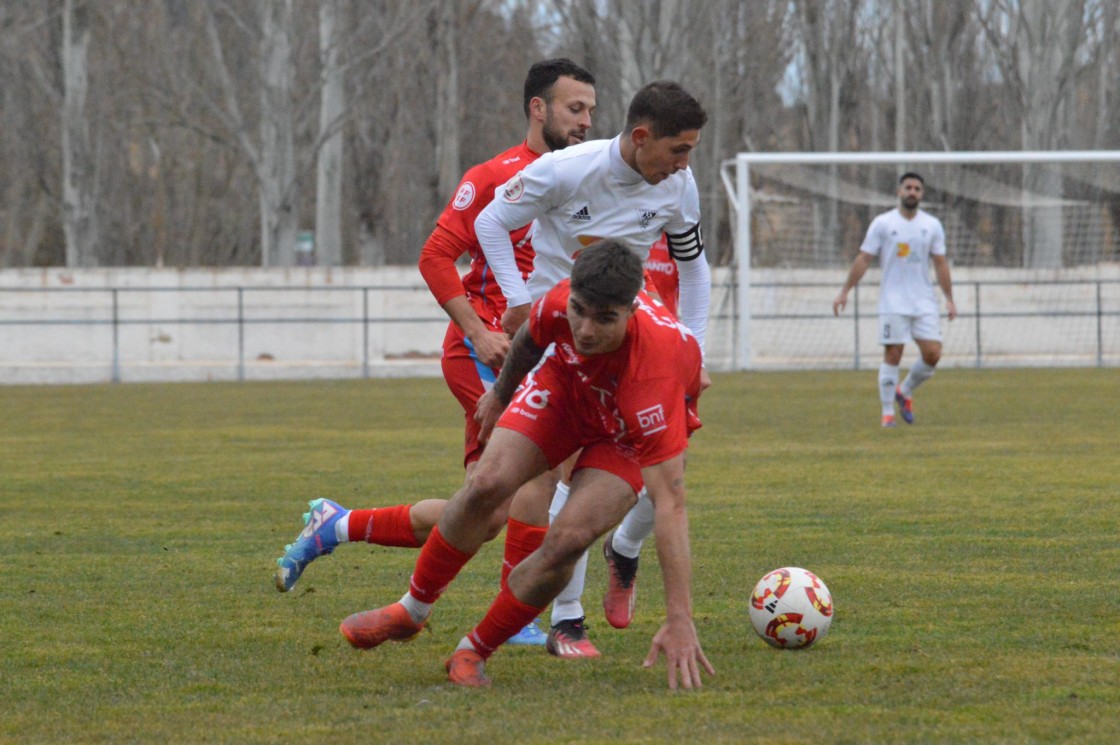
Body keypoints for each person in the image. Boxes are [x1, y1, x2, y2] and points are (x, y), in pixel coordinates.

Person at [273, 59, 597, 647]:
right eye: (575, 109)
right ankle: (518, 616)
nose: (586, 122)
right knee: (540, 469)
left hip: (542, 353)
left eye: (592, 111)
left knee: (483, 510)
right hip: (488, 354)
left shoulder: (583, 178)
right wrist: (478, 331)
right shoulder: (496, 176)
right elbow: (434, 255)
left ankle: (338, 525)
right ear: (538, 108)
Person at [336, 241, 715, 690]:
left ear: (632, 310)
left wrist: (679, 618)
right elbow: (531, 339)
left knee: (568, 540)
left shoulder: (657, 371)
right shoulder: (560, 301)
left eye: (604, 319)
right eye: (579, 310)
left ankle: (474, 649)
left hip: (625, 434)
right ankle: (411, 610)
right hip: (565, 391)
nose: (586, 329)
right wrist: (500, 395)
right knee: (486, 484)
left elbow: (670, 506)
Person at [474, 79, 711, 640]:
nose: (684, 164)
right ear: (642, 136)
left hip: (636, 348)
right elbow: (489, 222)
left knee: (665, 472)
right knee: (553, 480)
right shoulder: (567, 170)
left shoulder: (679, 185)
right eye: (679, 149)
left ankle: (624, 549)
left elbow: (695, 270)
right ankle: (564, 620)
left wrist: (695, 350)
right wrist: (520, 302)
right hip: (562, 341)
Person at [832, 171, 957, 427]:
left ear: (921, 194)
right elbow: (864, 258)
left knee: (933, 354)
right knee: (893, 354)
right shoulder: (883, 223)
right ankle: (887, 414)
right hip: (893, 300)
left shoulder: (932, 225)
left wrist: (949, 298)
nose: (912, 192)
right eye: (908, 187)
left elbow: (940, 263)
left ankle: (905, 391)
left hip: (923, 301)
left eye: (917, 189)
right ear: (899, 191)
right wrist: (845, 290)